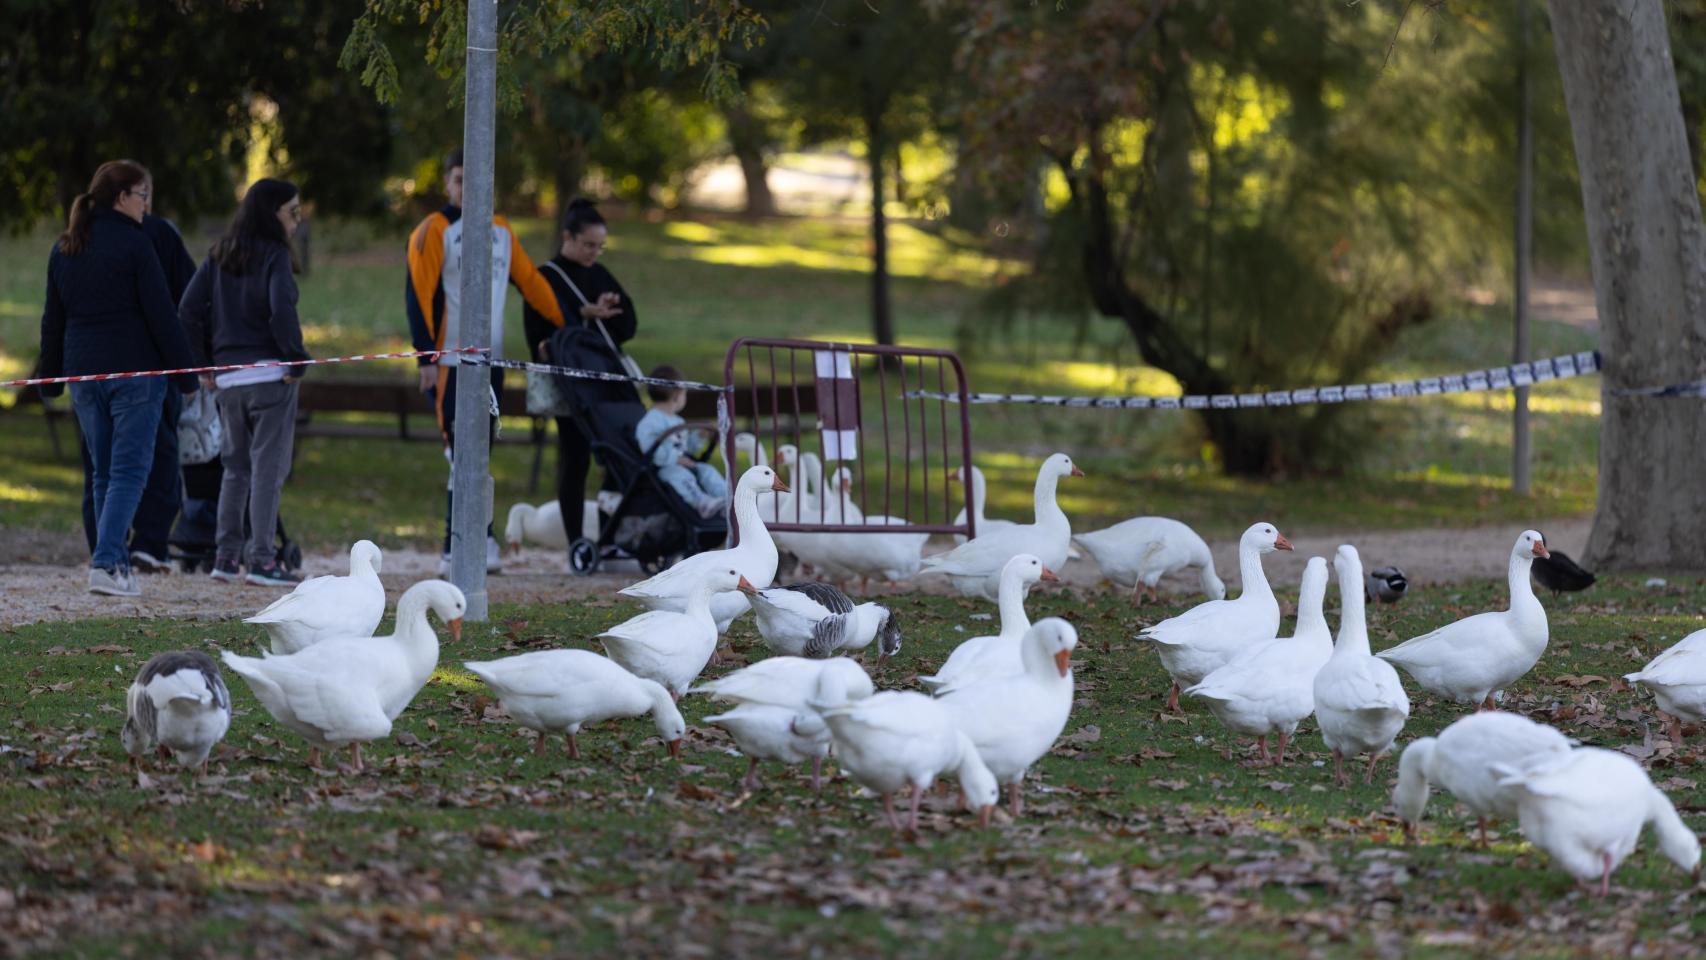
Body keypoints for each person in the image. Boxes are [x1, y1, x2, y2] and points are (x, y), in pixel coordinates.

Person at [38, 160, 198, 597]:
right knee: (129, 471)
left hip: (83, 374)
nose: (148, 205)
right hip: (135, 374)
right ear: (122, 196)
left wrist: (49, 378)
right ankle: (107, 563)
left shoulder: (65, 246)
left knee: (103, 473)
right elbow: (162, 316)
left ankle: (113, 561)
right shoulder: (135, 244)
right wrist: (187, 374)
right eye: (143, 195)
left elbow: (52, 322)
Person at [407, 149, 565, 574]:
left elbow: (531, 284)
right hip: (450, 364)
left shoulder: (501, 231)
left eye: (475, 181)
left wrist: (566, 321)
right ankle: (454, 544)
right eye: (459, 179)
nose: (467, 188)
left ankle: (480, 539)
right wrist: (426, 357)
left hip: (492, 364)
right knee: (461, 455)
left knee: (481, 454)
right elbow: (418, 297)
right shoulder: (435, 230)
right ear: (447, 183)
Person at [180, 178, 310, 587]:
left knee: (234, 469)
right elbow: (281, 309)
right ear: (272, 213)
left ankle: (225, 556)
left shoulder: (220, 254)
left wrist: (205, 365)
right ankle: (262, 559)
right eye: (292, 211)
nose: (297, 220)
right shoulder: (275, 256)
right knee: (268, 470)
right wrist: (296, 359)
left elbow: (187, 309)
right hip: (271, 377)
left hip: (230, 381)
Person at [522, 197, 637, 545]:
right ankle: (576, 540)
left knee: (620, 454)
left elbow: (627, 324)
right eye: (588, 245)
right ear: (567, 237)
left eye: (600, 247)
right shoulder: (546, 277)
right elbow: (539, 334)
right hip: (570, 385)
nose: (593, 253)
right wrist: (583, 315)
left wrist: (605, 315)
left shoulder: (600, 274)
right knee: (574, 459)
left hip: (605, 379)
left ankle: (609, 535)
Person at [636, 366, 726, 517]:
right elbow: (651, 450)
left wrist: (699, 436)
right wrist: (676, 459)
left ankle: (728, 499)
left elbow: (687, 448)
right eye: (685, 392)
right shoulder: (650, 422)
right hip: (663, 469)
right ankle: (701, 502)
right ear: (677, 394)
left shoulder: (678, 421)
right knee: (679, 475)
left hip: (684, 464)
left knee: (707, 471)